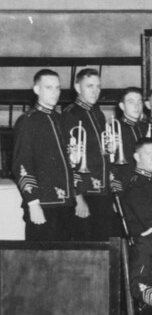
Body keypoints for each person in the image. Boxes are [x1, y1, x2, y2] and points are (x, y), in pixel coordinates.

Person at [13, 69, 76, 241]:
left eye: (58, 88)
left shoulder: (61, 119)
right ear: (36, 90)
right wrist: (33, 203)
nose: (55, 93)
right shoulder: (28, 120)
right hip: (44, 204)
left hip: (66, 204)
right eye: (49, 87)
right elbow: (21, 164)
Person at [60, 68, 116, 239]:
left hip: (102, 190)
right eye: (89, 86)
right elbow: (68, 161)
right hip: (85, 193)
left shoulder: (97, 113)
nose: (95, 91)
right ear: (78, 87)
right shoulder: (70, 115)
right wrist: (78, 197)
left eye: (98, 86)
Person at [120, 138, 152, 240]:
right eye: (149, 154)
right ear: (137, 157)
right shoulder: (136, 187)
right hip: (148, 244)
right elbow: (150, 223)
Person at [111, 87, 151, 192]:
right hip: (124, 185)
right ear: (122, 106)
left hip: (146, 183)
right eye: (131, 102)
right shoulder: (114, 128)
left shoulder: (146, 128)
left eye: (139, 102)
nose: (136, 106)